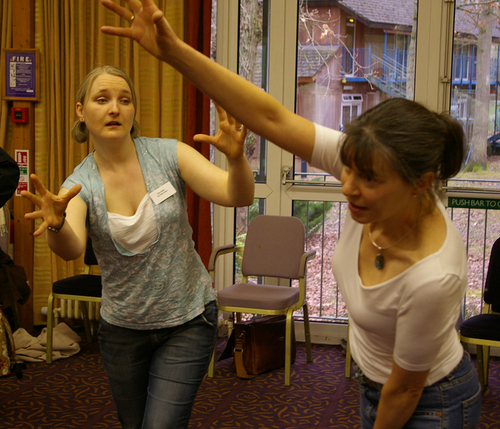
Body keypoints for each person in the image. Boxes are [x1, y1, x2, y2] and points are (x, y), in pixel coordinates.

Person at [99, 1, 482, 428]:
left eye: (369, 180)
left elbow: (405, 389)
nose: (349, 186)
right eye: (347, 168)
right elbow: (271, 116)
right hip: (376, 384)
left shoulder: (433, 275)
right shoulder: (371, 159)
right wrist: (174, 52)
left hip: (432, 400)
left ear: (420, 183)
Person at [21, 63, 254, 429]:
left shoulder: (168, 155)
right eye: (102, 99)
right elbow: (71, 247)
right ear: (81, 111)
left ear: (133, 110)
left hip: (188, 319)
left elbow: (236, 195)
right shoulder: (79, 184)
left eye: (124, 100)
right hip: (122, 330)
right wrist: (57, 223)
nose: (114, 108)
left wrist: (237, 159)